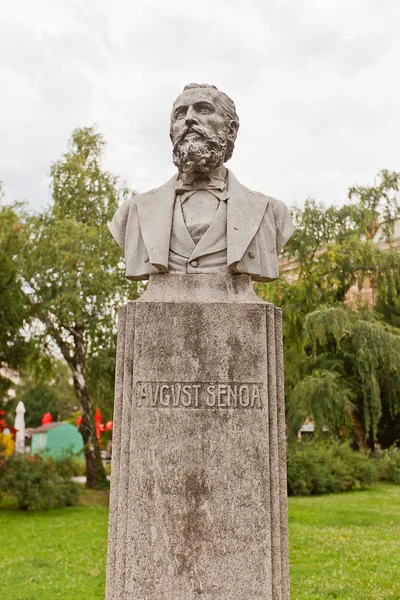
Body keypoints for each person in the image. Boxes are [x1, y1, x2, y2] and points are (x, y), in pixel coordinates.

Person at [109, 83, 293, 282]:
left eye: (203, 110)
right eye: (180, 114)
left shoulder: (270, 212)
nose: (189, 118)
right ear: (172, 133)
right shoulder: (133, 212)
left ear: (230, 130)